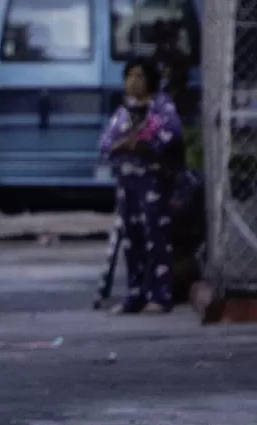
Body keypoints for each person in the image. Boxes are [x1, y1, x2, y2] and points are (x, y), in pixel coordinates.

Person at [98, 57, 183, 314]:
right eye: (129, 76)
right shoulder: (124, 111)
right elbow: (105, 144)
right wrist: (121, 145)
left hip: (153, 183)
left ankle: (159, 295)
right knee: (132, 239)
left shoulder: (161, 109)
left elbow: (170, 136)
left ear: (151, 80)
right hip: (127, 184)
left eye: (139, 76)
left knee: (155, 236)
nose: (133, 82)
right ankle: (135, 294)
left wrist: (142, 144)